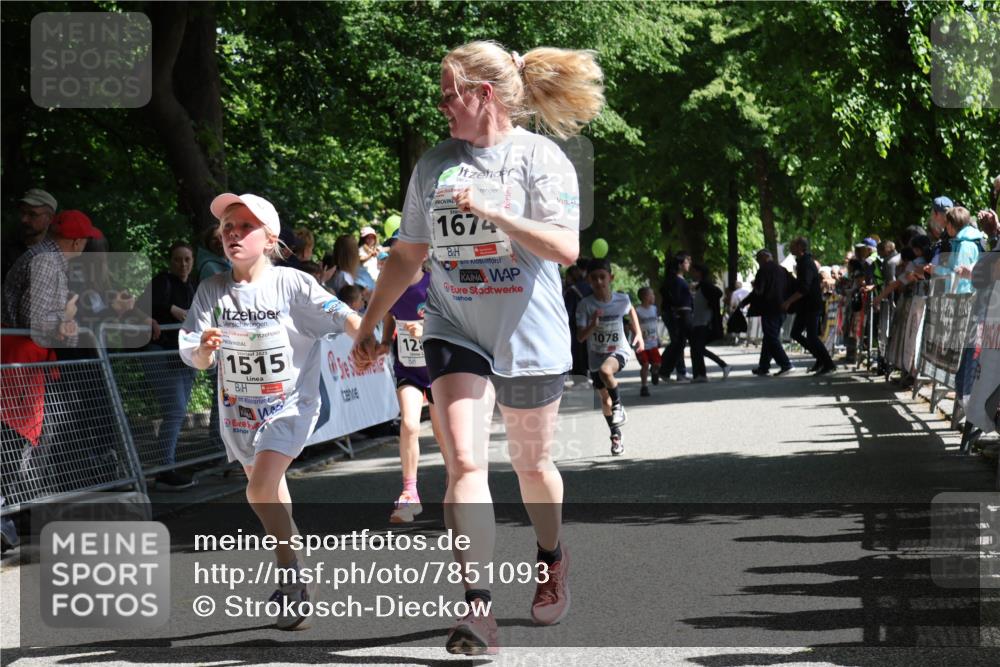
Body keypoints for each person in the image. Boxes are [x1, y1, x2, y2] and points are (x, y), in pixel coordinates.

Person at [351, 40, 603, 655]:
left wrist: (495, 214)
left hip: (527, 331)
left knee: (532, 468)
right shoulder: (434, 165)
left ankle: (550, 557)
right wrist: (371, 322)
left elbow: (565, 248)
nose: (442, 107)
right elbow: (408, 256)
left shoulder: (542, 160)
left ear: (482, 94)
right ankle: (477, 609)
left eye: (449, 94)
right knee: (464, 464)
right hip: (453, 325)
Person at [180, 193, 363, 631]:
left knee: (260, 489)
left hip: (290, 406)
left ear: (270, 239)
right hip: (239, 415)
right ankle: (297, 566)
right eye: (228, 227)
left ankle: (289, 571)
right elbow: (192, 351)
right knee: (269, 492)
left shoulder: (291, 284)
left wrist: (368, 338)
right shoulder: (212, 290)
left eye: (246, 227)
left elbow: (343, 315)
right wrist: (205, 349)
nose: (234, 235)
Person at [376, 250, 446, 522]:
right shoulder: (391, 287)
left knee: (445, 438)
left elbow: (452, 320)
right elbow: (388, 314)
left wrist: (426, 328)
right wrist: (384, 340)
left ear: (422, 254)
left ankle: (459, 491)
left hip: (439, 370)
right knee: (409, 425)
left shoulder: (435, 283)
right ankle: (409, 495)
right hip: (409, 371)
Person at [142, 242, 198, 490]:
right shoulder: (161, 282)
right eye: (177, 259)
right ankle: (165, 468)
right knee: (175, 410)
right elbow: (139, 306)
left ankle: (165, 464)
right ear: (170, 261)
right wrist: (170, 309)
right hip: (160, 353)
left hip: (184, 356)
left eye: (187, 259)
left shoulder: (192, 287)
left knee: (177, 411)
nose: (182, 264)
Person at [576, 259, 642, 454]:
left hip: (618, 351)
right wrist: (592, 326)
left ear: (610, 278)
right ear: (588, 280)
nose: (598, 282)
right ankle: (615, 435)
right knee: (605, 401)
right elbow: (580, 337)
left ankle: (619, 406)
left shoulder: (622, 299)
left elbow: (630, 310)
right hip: (596, 355)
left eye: (602, 277)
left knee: (607, 371)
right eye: (594, 278)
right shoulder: (585, 305)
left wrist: (638, 333)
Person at [783, 237, 836, 375]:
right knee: (796, 333)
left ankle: (828, 363)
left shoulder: (806, 263)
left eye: (793, 245)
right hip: (804, 306)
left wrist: (789, 301)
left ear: (800, 247)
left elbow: (805, 288)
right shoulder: (801, 262)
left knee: (812, 336)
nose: (790, 247)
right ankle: (820, 359)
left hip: (811, 305)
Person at [742, 249, 793, 376]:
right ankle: (764, 366)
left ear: (764, 257)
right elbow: (792, 286)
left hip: (769, 308)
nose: (758, 262)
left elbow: (758, 292)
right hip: (782, 307)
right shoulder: (783, 270)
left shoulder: (763, 270)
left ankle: (786, 364)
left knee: (771, 337)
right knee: (769, 338)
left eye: (759, 259)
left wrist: (745, 301)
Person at [3, 188, 57, 284]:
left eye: (32, 214)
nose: (24, 219)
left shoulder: (59, 250)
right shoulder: (5, 245)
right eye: (22, 212)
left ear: (50, 218)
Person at [688, 263, 731, 382]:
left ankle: (722, 366)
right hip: (699, 321)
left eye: (694, 271)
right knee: (695, 348)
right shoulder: (701, 286)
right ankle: (699, 375)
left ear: (699, 273)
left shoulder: (706, 285)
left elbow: (717, 293)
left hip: (704, 321)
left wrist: (711, 306)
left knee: (698, 348)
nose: (692, 273)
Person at [658, 252, 693, 382]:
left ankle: (666, 369)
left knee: (678, 343)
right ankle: (678, 371)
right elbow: (677, 299)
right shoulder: (676, 281)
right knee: (678, 342)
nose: (689, 264)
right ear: (680, 265)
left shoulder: (678, 280)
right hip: (675, 314)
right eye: (686, 262)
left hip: (674, 313)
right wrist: (679, 311)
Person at [635, 286, 661, 396]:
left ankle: (654, 372)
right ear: (645, 297)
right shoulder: (637, 311)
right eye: (651, 294)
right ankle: (644, 386)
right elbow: (633, 325)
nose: (653, 296)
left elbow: (655, 325)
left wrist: (658, 337)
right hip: (641, 344)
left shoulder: (654, 309)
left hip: (653, 342)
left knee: (657, 364)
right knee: (645, 365)